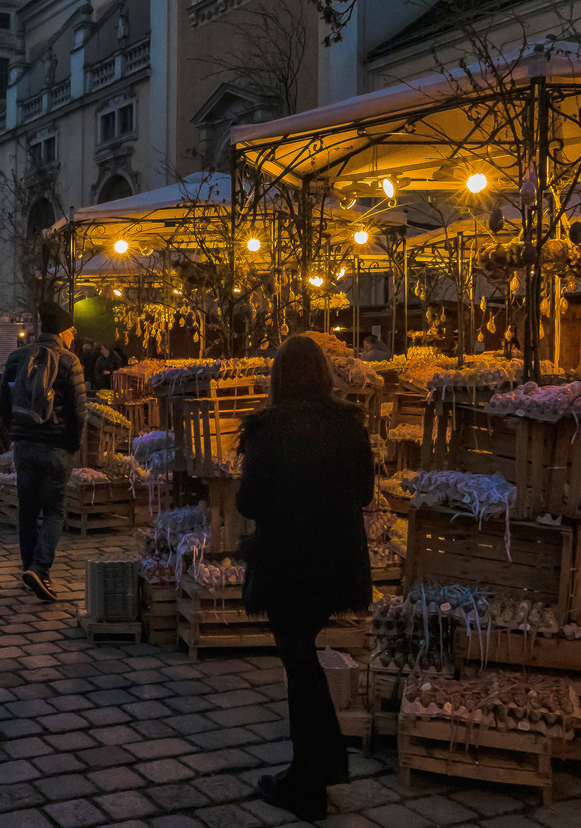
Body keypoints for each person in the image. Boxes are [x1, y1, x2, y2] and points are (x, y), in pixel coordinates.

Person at [236, 334, 374, 822]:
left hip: (287, 562)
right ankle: (321, 765)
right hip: (334, 562)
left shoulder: (268, 429)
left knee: (299, 665)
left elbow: (248, 502)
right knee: (302, 660)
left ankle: (310, 778)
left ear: (278, 377)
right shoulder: (349, 426)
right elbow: (365, 493)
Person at [0, 301, 87, 602]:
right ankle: (40, 568)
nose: (74, 336)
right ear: (62, 331)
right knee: (54, 510)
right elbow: (79, 411)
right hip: (56, 448)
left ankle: (29, 569)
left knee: (27, 509)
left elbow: (3, 406)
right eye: (72, 330)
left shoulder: (15, 358)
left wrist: (16, 434)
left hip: (23, 446)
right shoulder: (69, 361)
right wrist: (72, 443)